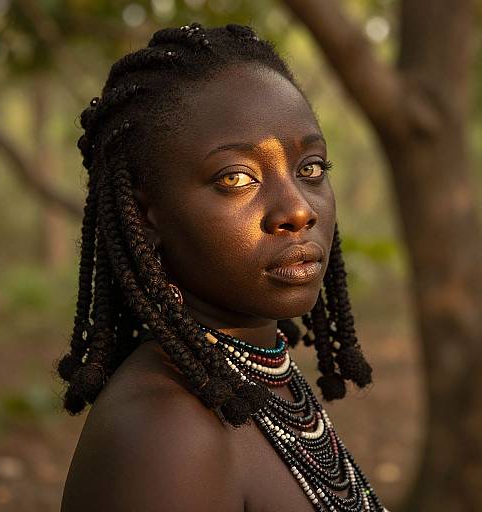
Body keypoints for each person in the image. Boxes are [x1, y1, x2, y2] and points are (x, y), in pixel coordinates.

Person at [57, 22, 389, 512]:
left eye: (311, 169)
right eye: (236, 177)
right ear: (147, 214)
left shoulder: (251, 375)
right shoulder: (165, 435)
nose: (298, 210)